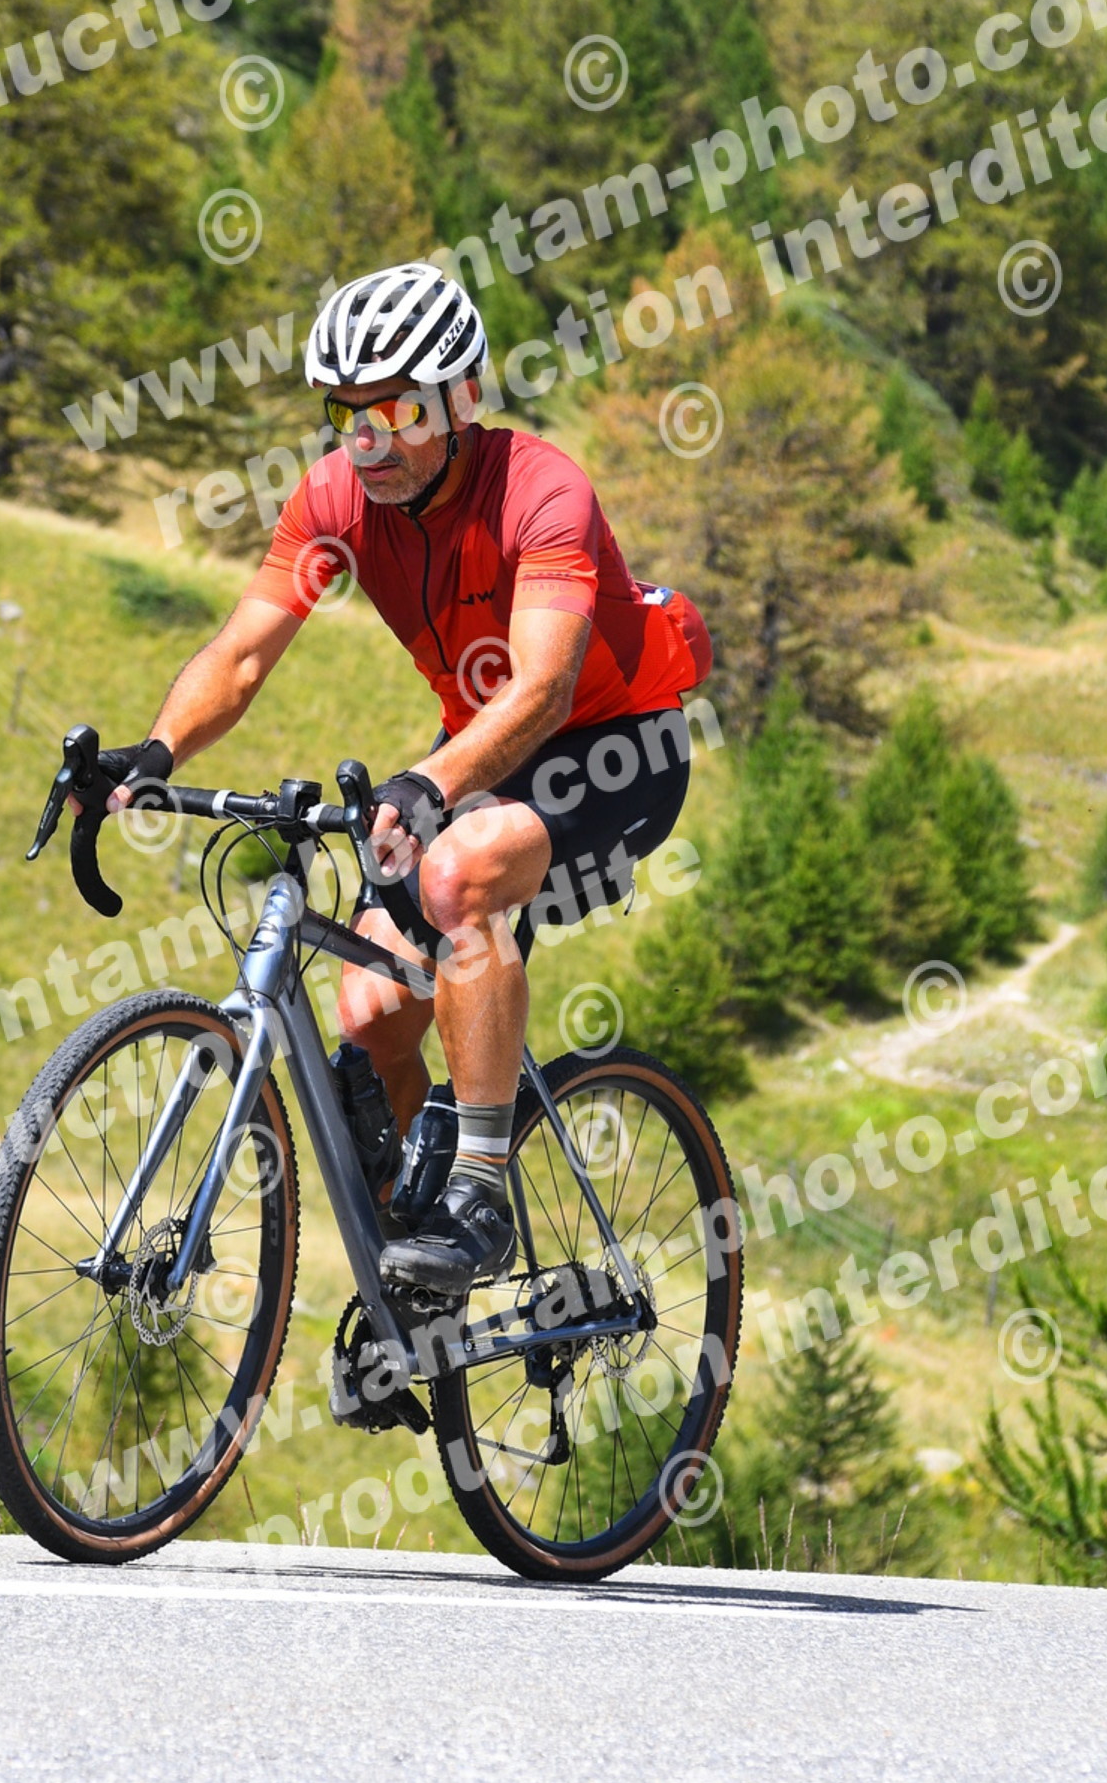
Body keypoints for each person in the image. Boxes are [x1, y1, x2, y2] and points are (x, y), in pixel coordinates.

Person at [93, 262, 710, 1296]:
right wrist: (152, 755)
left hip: (617, 746)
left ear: (461, 400)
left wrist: (428, 784)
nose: (369, 442)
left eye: (398, 411)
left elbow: (545, 688)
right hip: (481, 747)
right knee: (371, 1014)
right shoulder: (335, 497)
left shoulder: (541, 490)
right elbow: (239, 656)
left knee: (461, 873)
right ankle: (421, 1288)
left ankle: (479, 1196)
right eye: (347, 414)